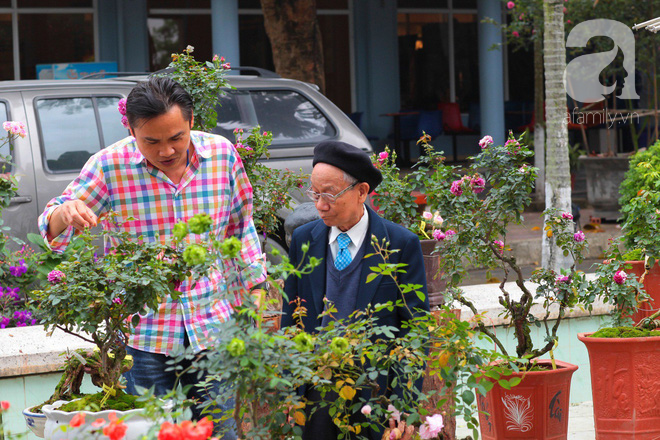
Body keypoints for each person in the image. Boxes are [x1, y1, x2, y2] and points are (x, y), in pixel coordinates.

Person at [38, 76, 266, 437]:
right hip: (142, 336)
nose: (166, 151)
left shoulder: (221, 156)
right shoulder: (109, 166)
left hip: (213, 328)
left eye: (176, 137)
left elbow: (240, 229)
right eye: (151, 141)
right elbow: (52, 226)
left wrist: (253, 297)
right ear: (130, 129)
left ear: (191, 121)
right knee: (145, 433)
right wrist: (65, 214)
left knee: (223, 431)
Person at [282, 140, 430, 440]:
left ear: (362, 191)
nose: (320, 205)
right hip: (316, 389)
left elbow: (416, 330)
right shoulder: (303, 240)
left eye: (329, 195)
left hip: (376, 391)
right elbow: (291, 319)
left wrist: (403, 402)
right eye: (315, 193)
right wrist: (291, 389)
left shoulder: (400, 244)